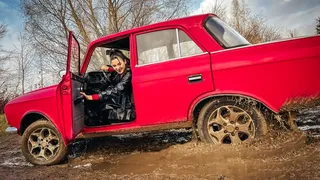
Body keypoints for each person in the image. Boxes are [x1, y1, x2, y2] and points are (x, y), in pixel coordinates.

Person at [80, 49, 134, 121]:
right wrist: (109, 69)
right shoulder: (121, 72)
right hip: (122, 98)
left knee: (103, 106)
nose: (117, 68)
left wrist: (93, 97)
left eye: (119, 64)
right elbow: (116, 73)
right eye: (114, 65)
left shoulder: (128, 74)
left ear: (125, 61)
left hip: (126, 103)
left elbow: (116, 91)